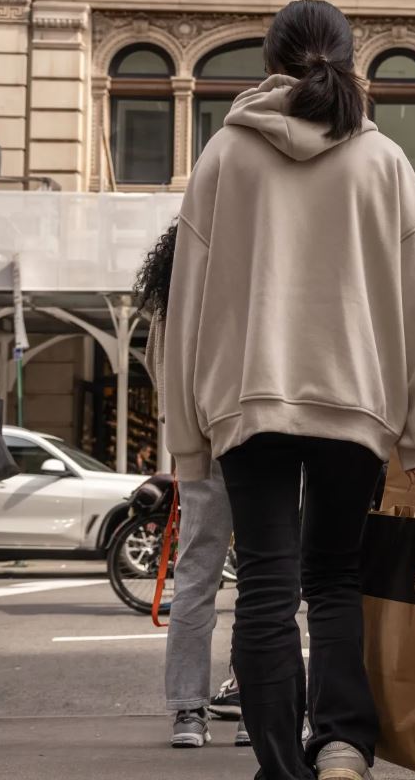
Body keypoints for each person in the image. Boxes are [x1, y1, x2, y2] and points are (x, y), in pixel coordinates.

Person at [163, 0, 415, 780]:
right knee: (334, 577)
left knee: (264, 581)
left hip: (248, 398)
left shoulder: (224, 154)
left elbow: (186, 300)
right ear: (349, 58)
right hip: (355, 396)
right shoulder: (383, 159)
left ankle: (281, 765)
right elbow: (413, 306)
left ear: (271, 60)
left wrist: (186, 435)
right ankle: (345, 746)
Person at [136, 224, 250, 749]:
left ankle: (188, 711)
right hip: (251, 435)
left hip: (196, 442)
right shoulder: (238, 280)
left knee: (197, 575)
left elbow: (159, 372)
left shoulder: (167, 298)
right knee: (264, 572)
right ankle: (256, 703)